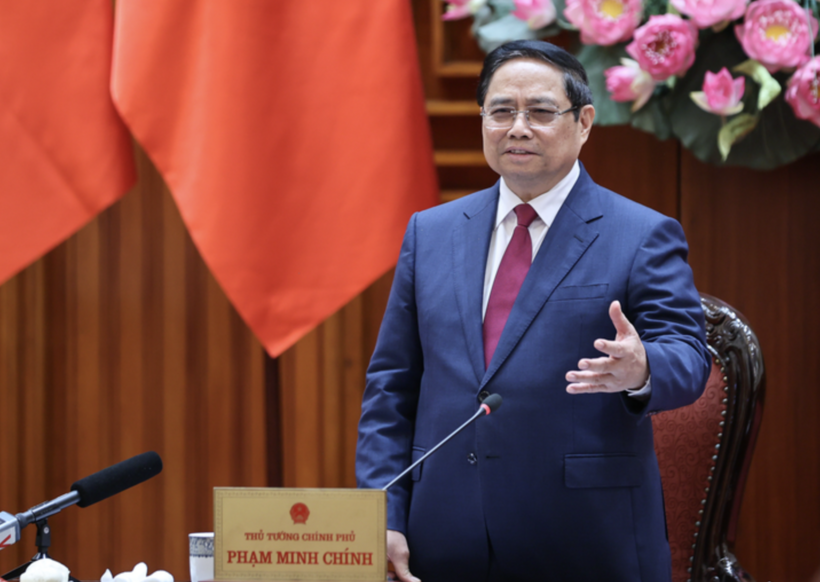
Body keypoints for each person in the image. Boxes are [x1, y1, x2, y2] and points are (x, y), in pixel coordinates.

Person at [356, 39, 711, 582]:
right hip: (442, 538)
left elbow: (689, 359)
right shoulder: (431, 232)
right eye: (501, 111)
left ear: (584, 122)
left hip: (583, 541)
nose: (517, 127)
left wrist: (641, 368)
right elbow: (392, 386)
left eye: (541, 112)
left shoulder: (641, 234)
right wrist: (380, 513)